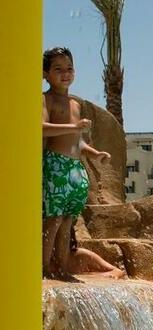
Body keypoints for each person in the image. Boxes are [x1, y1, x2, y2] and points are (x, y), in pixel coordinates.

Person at [41, 47, 110, 280]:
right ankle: (44, 267)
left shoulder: (75, 104)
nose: (65, 73)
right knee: (54, 219)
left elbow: (77, 142)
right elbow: (41, 129)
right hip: (56, 166)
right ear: (45, 74)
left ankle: (62, 267)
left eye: (69, 68)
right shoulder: (46, 99)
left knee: (68, 221)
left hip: (74, 169)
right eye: (58, 69)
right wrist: (73, 127)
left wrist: (95, 153)